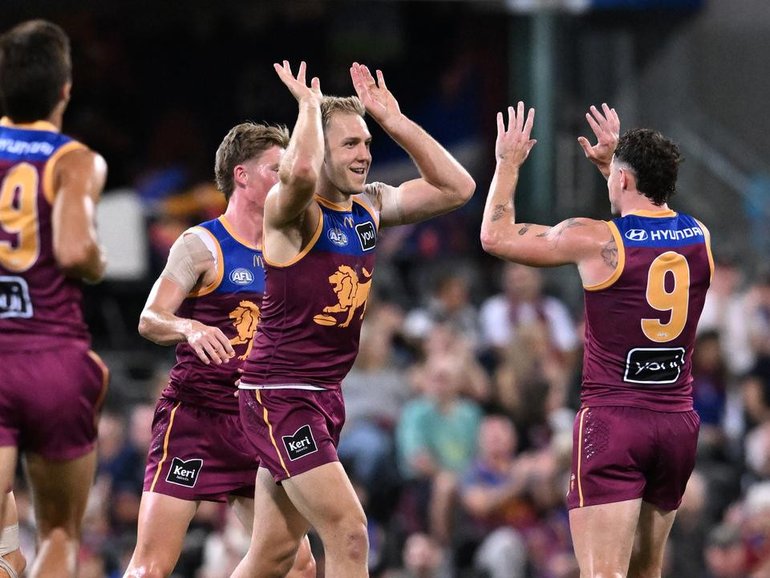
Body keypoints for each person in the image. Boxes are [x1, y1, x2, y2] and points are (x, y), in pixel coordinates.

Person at [233, 61, 475, 578]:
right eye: (350, 144)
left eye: (367, 143)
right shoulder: (292, 211)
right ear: (320, 149)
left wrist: (395, 121)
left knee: (271, 558)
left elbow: (458, 188)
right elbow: (298, 172)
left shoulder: (369, 206)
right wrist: (308, 109)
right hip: (280, 394)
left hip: (323, 393)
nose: (365, 154)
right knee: (349, 531)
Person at [480, 102, 712, 577]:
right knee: (646, 571)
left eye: (615, 177)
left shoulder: (593, 240)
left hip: (614, 423)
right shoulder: (700, 236)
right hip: (676, 423)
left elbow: (496, 237)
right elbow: (649, 226)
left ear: (624, 181)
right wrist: (615, 165)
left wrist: (507, 163)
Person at [123, 122, 314, 578]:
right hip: (196, 417)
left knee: (299, 565)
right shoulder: (201, 244)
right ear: (241, 175)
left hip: (259, 420)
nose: (288, 177)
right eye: (276, 168)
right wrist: (188, 326)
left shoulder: (290, 245)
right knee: (151, 567)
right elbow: (149, 318)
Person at [0, 19, 109, 578]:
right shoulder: (74, 160)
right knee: (60, 532)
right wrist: (99, 260)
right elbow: (73, 251)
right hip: (52, 358)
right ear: (65, 89)